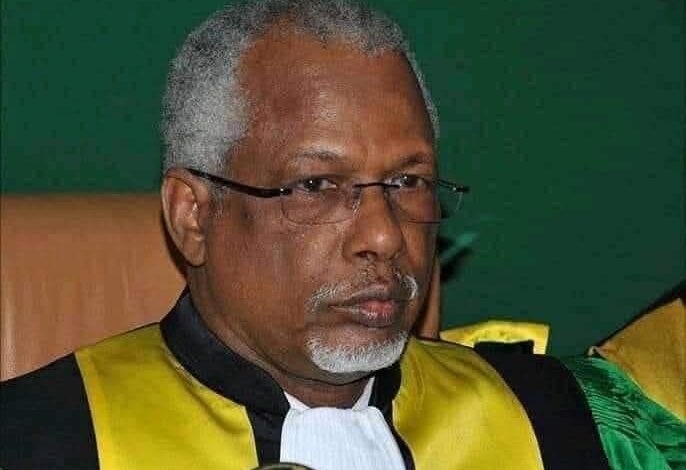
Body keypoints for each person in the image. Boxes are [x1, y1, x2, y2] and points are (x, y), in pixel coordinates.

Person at [0, 1, 615, 469]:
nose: (384, 236)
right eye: (317, 185)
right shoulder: (38, 440)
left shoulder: (553, 422)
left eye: (407, 181)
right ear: (194, 216)